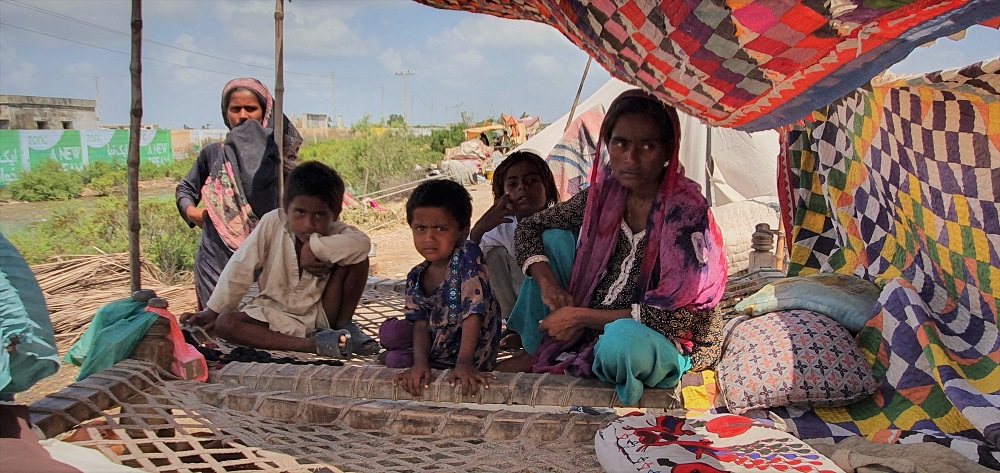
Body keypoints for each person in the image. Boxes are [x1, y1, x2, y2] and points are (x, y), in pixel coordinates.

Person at [501, 90, 728, 405]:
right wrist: (548, 284)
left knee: (622, 346)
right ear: (607, 145)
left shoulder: (686, 214)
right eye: (621, 144)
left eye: (647, 146)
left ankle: (603, 358)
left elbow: (676, 319)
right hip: (593, 322)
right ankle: (538, 346)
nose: (631, 159)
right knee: (553, 240)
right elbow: (529, 227)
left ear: (667, 150)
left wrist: (579, 317)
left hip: (666, 338)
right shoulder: (604, 197)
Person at [179, 161, 377, 358]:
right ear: (286, 206)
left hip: (322, 315)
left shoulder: (338, 233)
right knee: (225, 323)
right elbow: (240, 266)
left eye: (319, 215)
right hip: (273, 312)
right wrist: (213, 310)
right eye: (300, 212)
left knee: (357, 258)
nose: (308, 224)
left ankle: (344, 325)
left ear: (335, 214)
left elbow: (363, 245)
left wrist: (313, 246)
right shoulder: (273, 222)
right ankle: (312, 345)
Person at [176, 77, 304, 309]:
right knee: (214, 321)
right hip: (216, 259)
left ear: (265, 113)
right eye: (235, 109)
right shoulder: (214, 154)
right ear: (226, 113)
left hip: (268, 259)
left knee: (263, 321)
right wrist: (192, 212)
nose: (243, 116)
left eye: (251, 109)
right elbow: (185, 188)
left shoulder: (279, 159)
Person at [380, 179, 503, 397]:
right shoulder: (416, 275)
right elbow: (420, 324)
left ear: (462, 231)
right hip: (438, 348)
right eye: (421, 228)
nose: (429, 238)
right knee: (390, 335)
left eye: (440, 229)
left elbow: (474, 313)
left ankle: (446, 363)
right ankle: (420, 361)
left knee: (395, 355)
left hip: (470, 353)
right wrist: (420, 364)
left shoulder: (467, 257)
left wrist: (464, 363)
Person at [470, 151, 558, 323]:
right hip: (518, 304)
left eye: (531, 181)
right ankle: (512, 323)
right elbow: (464, 263)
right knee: (491, 254)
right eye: (512, 184)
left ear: (547, 187)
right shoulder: (500, 228)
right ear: (501, 194)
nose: (522, 187)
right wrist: (479, 229)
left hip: (555, 299)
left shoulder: (560, 220)